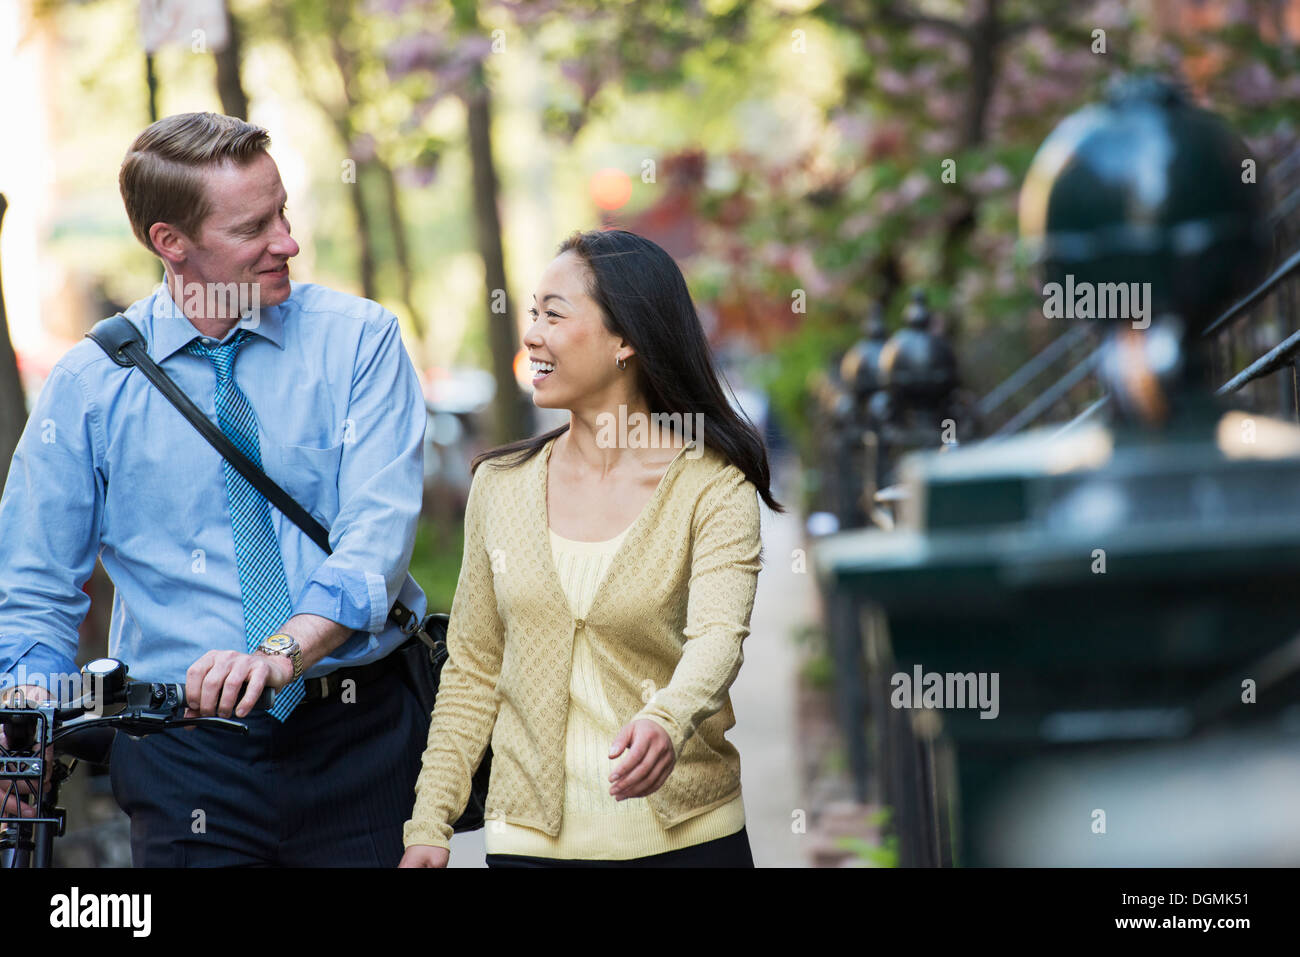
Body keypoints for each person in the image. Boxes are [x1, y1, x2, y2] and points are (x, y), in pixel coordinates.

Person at [0, 112, 430, 866]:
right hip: (182, 753)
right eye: (254, 226)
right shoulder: (89, 387)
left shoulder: (361, 341)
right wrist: (25, 737)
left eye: (284, 212)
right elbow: (35, 586)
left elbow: (375, 543)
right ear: (172, 242)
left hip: (359, 735)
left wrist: (279, 653)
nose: (287, 241)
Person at [400, 229, 782, 868]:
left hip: (688, 841)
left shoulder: (711, 486)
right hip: (529, 847)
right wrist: (428, 822)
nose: (532, 334)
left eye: (555, 314)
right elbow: (472, 668)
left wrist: (668, 718)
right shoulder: (501, 487)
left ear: (626, 338)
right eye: (532, 314)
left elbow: (718, 638)